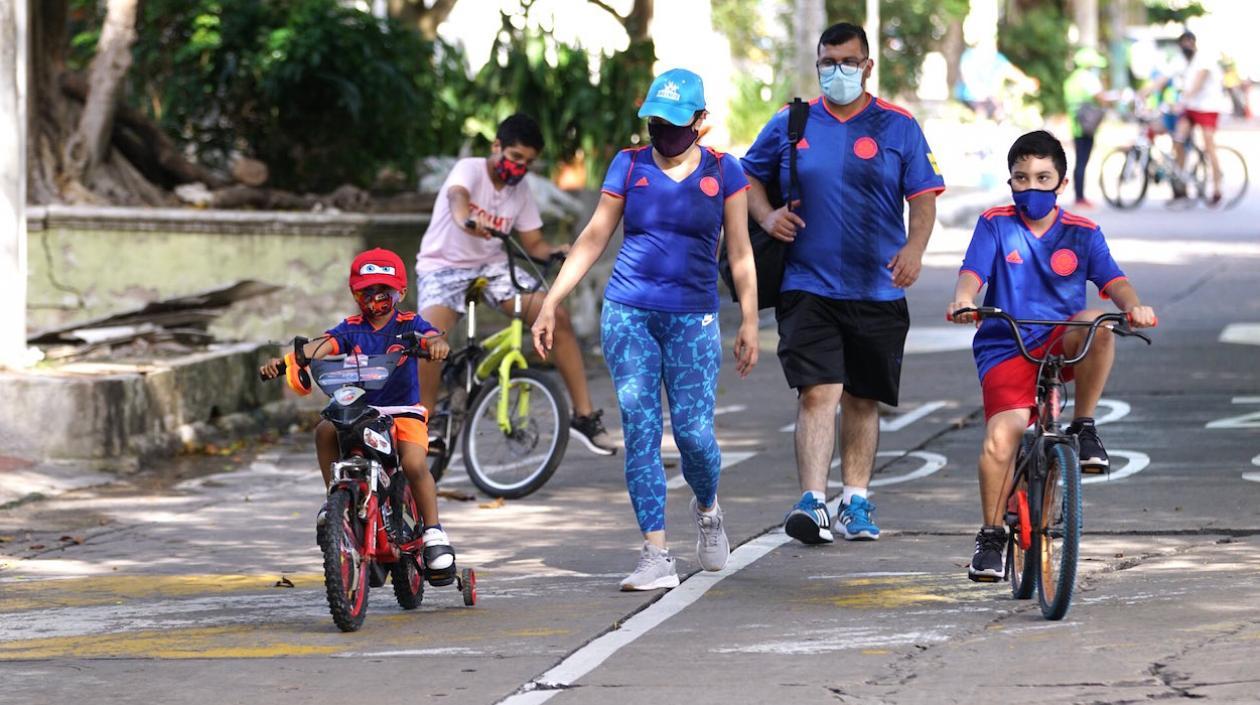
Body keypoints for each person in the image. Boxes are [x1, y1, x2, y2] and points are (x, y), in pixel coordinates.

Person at [531, 68, 760, 590]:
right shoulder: (629, 164)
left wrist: (748, 319)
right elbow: (593, 237)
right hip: (629, 312)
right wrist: (551, 302)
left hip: (693, 317)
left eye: (676, 123)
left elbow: (740, 251)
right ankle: (656, 554)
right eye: (656, 121)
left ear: (700, 121)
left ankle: (708, 507)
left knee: (694, 435)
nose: (664, 131)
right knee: (640, 429)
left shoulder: (725, 170)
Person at [741, 22, 945, 545]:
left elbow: (923, 197)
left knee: (862, 396)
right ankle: (812, 502)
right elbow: (748, 176)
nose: (838, 72)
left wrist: (914, 249)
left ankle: (855, 500)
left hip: (878, 286)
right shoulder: (792, 122)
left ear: (867, 66)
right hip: (807, 285)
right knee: (819, 391)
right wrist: (766, 217)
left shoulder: (899, 126)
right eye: (828, 63)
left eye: (848, 62)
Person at [946, 130, 1157, 581]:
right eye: (1021, 178)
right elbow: (971, 274)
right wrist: (964, 299)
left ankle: (1084, 426)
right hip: (1007, 344)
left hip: (1062, 342)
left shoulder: (1083, 232)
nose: (1032, 187)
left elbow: (1115, 281)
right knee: (1001, 439)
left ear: (1062, 182)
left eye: (1043, 178)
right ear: (1010, 181)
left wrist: (1134, 306)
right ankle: (991, 537)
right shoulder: (995, 224)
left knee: (1099, 324)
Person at [414, 114, 616, 457]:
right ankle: (424, 423)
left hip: (493, 267)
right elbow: (457, 198)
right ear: (497, 147)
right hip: (443, 267)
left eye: (528, 163)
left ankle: (583, 416)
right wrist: (467, 219)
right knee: (429, 338)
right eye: (515, 157)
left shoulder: (520, 191)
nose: (520, 168)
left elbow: (533, 243)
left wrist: (556, 252)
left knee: (557, 317)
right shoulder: (469, 169)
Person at [259, 248, 461, 584]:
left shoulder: (409, 324)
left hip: (402, 412)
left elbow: (431, 337)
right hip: (359, 409)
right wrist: (286, 362)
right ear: (355, 293)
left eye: (384, 290)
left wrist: (435, 345)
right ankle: (334, 501)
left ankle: (433, 532)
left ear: (401, 292)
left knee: (414, 464)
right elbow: (320, 346)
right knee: (325, 430)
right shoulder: (350, 329)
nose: (375, 298)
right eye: (367, 291)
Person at [1173, 31, 1228, 206]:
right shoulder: (1184, 62)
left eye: (1188, 42)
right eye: (1183, 43)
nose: (1186, 46)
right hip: (1191, 108)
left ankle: (1217, 187)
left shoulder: (1204, 59)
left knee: (1209, 145)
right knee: (1178, 140)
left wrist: (1182, 101)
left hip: (1207, 108)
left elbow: (1198, 83)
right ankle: (1180, 185)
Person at [1064, 47, 1115, 209]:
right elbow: (1101, 97)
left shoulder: (1072, 79)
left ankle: (1078, 196)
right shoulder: (1088, 78)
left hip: (1076, 125)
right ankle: (1080, 198)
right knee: (1082, 161)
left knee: (1079, 160)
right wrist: (1117, 97)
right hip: (1086, 125)